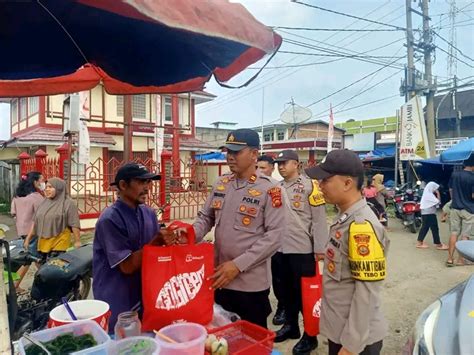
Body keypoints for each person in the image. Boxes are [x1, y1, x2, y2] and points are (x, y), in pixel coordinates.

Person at [193, 129, 284, 328]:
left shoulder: (271, 189)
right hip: (219, 277)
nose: (230, 157)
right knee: (221, 336)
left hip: (249, 284)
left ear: (253, 154)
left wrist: (238, 265)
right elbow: (206, 217)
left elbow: (274, 237)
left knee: (250, 340)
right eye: (228, 151)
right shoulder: (221, 183)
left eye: (236, 152)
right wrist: (190, 235)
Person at [305, 149, 389, 355]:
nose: (320, 185)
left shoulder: (361, 226)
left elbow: (367, 291)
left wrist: (351, 346)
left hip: (356, 340)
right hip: (341, 331)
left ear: (347, 183)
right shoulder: (346, 216)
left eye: (325, 180)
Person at [92, 163, 177, 330]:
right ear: (123, 185)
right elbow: (127, 266)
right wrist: (157, 243)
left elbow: (158, 252)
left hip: (143, 292)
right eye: (141, 182)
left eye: (148, 183)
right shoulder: (109, 219)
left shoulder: (149, 213)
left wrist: (172, 238)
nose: (147, 188)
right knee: (121, 341)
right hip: (116, 296)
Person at [273, 150, 329, 354]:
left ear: (296, 164)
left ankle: (310, 335)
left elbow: (319, 219)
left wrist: (320, 249)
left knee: (306, 295)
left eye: (284, 162)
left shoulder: (310, 186)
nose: (280, 166)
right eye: (278, 163)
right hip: (279, 249)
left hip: (302, 250)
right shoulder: (275, 188)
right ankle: (291, 326)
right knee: (285, 292)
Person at [257, 154, 286, 326]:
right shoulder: (253, 186)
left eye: (263, 168)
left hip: (276, 242)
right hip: (258, 243)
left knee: (278, 278)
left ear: (271, 168)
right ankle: (264, 304)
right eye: (257, 167)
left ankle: (282, 307)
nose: (259, 171)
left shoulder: (276, 188)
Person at [24, 178, 81, 260]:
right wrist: (28, 238)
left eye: (50, 187)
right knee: (42, 268)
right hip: (43, 243)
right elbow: (35, 222)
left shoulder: (68, 203)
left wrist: (77, 241)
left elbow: (74, 223)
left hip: (59, 243)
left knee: (54, 269)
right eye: (46, 187)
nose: (47, 189)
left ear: (59, 188)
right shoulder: (44, 203)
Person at [10, 171, 45, 290]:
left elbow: (13, 213)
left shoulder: (17, 197)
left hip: (22, 231)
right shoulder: (37, 197)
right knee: (30, 259)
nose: (43, 183)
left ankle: (46, 280)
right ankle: (14, 286)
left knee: (35, 257)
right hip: (34, 231)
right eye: (42, 180)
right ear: (35, 182)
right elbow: (42, 214)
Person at [447, 158, 474, 267]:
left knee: (454, 233)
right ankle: (461, 260)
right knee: (465, 235)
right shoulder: (472, 177)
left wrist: (454, 200)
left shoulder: (455, 174)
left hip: (455, 207)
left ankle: (450, 259)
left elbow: (451, 189)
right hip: (469, 209)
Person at [416, 182, 448, 250]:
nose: (435, 190)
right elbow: (438, 201)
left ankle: (420, 242)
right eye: (435, 188)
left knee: (425, 227)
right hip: (429, 213)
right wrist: (438, 193)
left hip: (426, 213)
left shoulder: (427, 193)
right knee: (434, 228)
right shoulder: (429, 194)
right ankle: (438, 244)